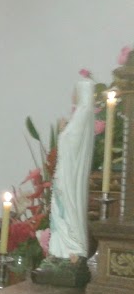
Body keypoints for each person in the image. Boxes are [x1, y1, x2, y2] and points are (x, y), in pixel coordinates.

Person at [49, 78, 95, 260]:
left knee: (65, 207)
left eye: (75, 90)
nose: (72, 94)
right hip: (69, 171)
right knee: (63, 208)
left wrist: (62, 130)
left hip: (68, 173)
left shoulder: (82, 114)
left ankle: (71, 248)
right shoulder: (85, 114)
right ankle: (61, 250)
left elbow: (69, 142)